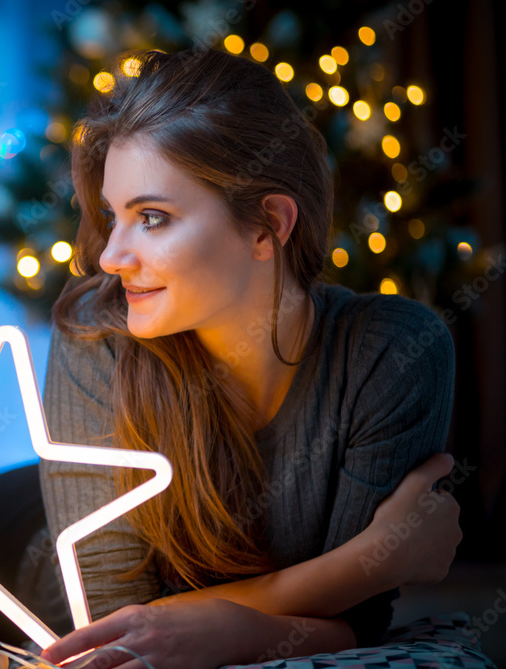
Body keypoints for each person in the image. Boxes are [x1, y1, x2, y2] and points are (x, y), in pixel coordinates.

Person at [39, 49, 473, 668]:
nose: (110, 256)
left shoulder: (392, 352)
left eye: (152, 218)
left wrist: (229, 625)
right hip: (9, 540)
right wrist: (374, 558)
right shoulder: (96, 336)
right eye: (113, 217)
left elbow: (355, 625)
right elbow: (115, 633)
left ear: (268, 225)